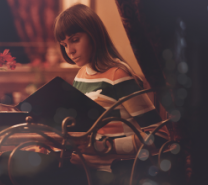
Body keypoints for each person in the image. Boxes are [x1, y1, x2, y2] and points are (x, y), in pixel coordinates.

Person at [53, 3, 170, 184]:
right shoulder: (81, 75)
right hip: (82, 168)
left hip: (110, 173)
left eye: (75, 40)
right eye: (64, 44)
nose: (70, 51)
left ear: (94, 35)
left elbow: (160, 136)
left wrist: (103, 146)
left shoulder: (117, 75)